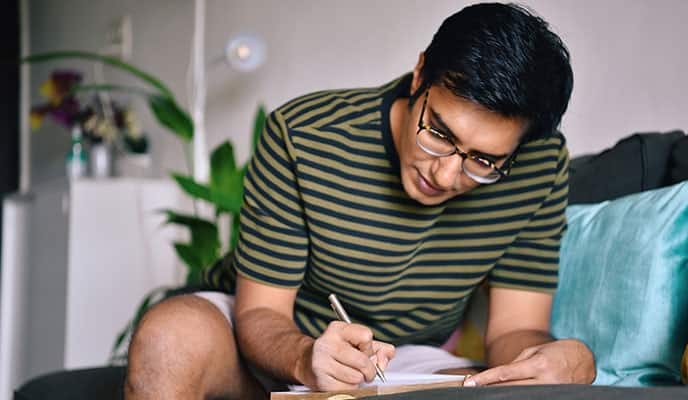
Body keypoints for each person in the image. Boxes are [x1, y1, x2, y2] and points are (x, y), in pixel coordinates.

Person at [125, 3, 596, 399]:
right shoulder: (305, 136)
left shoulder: (539, 165)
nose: (447, 174)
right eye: (439, 132)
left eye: (485, 161)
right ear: (418, 75)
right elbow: (261, 313)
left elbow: (515, 329)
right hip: (272, 336)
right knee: (171, 336)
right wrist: (306, 358)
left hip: (401, 360)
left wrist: (550, 364)